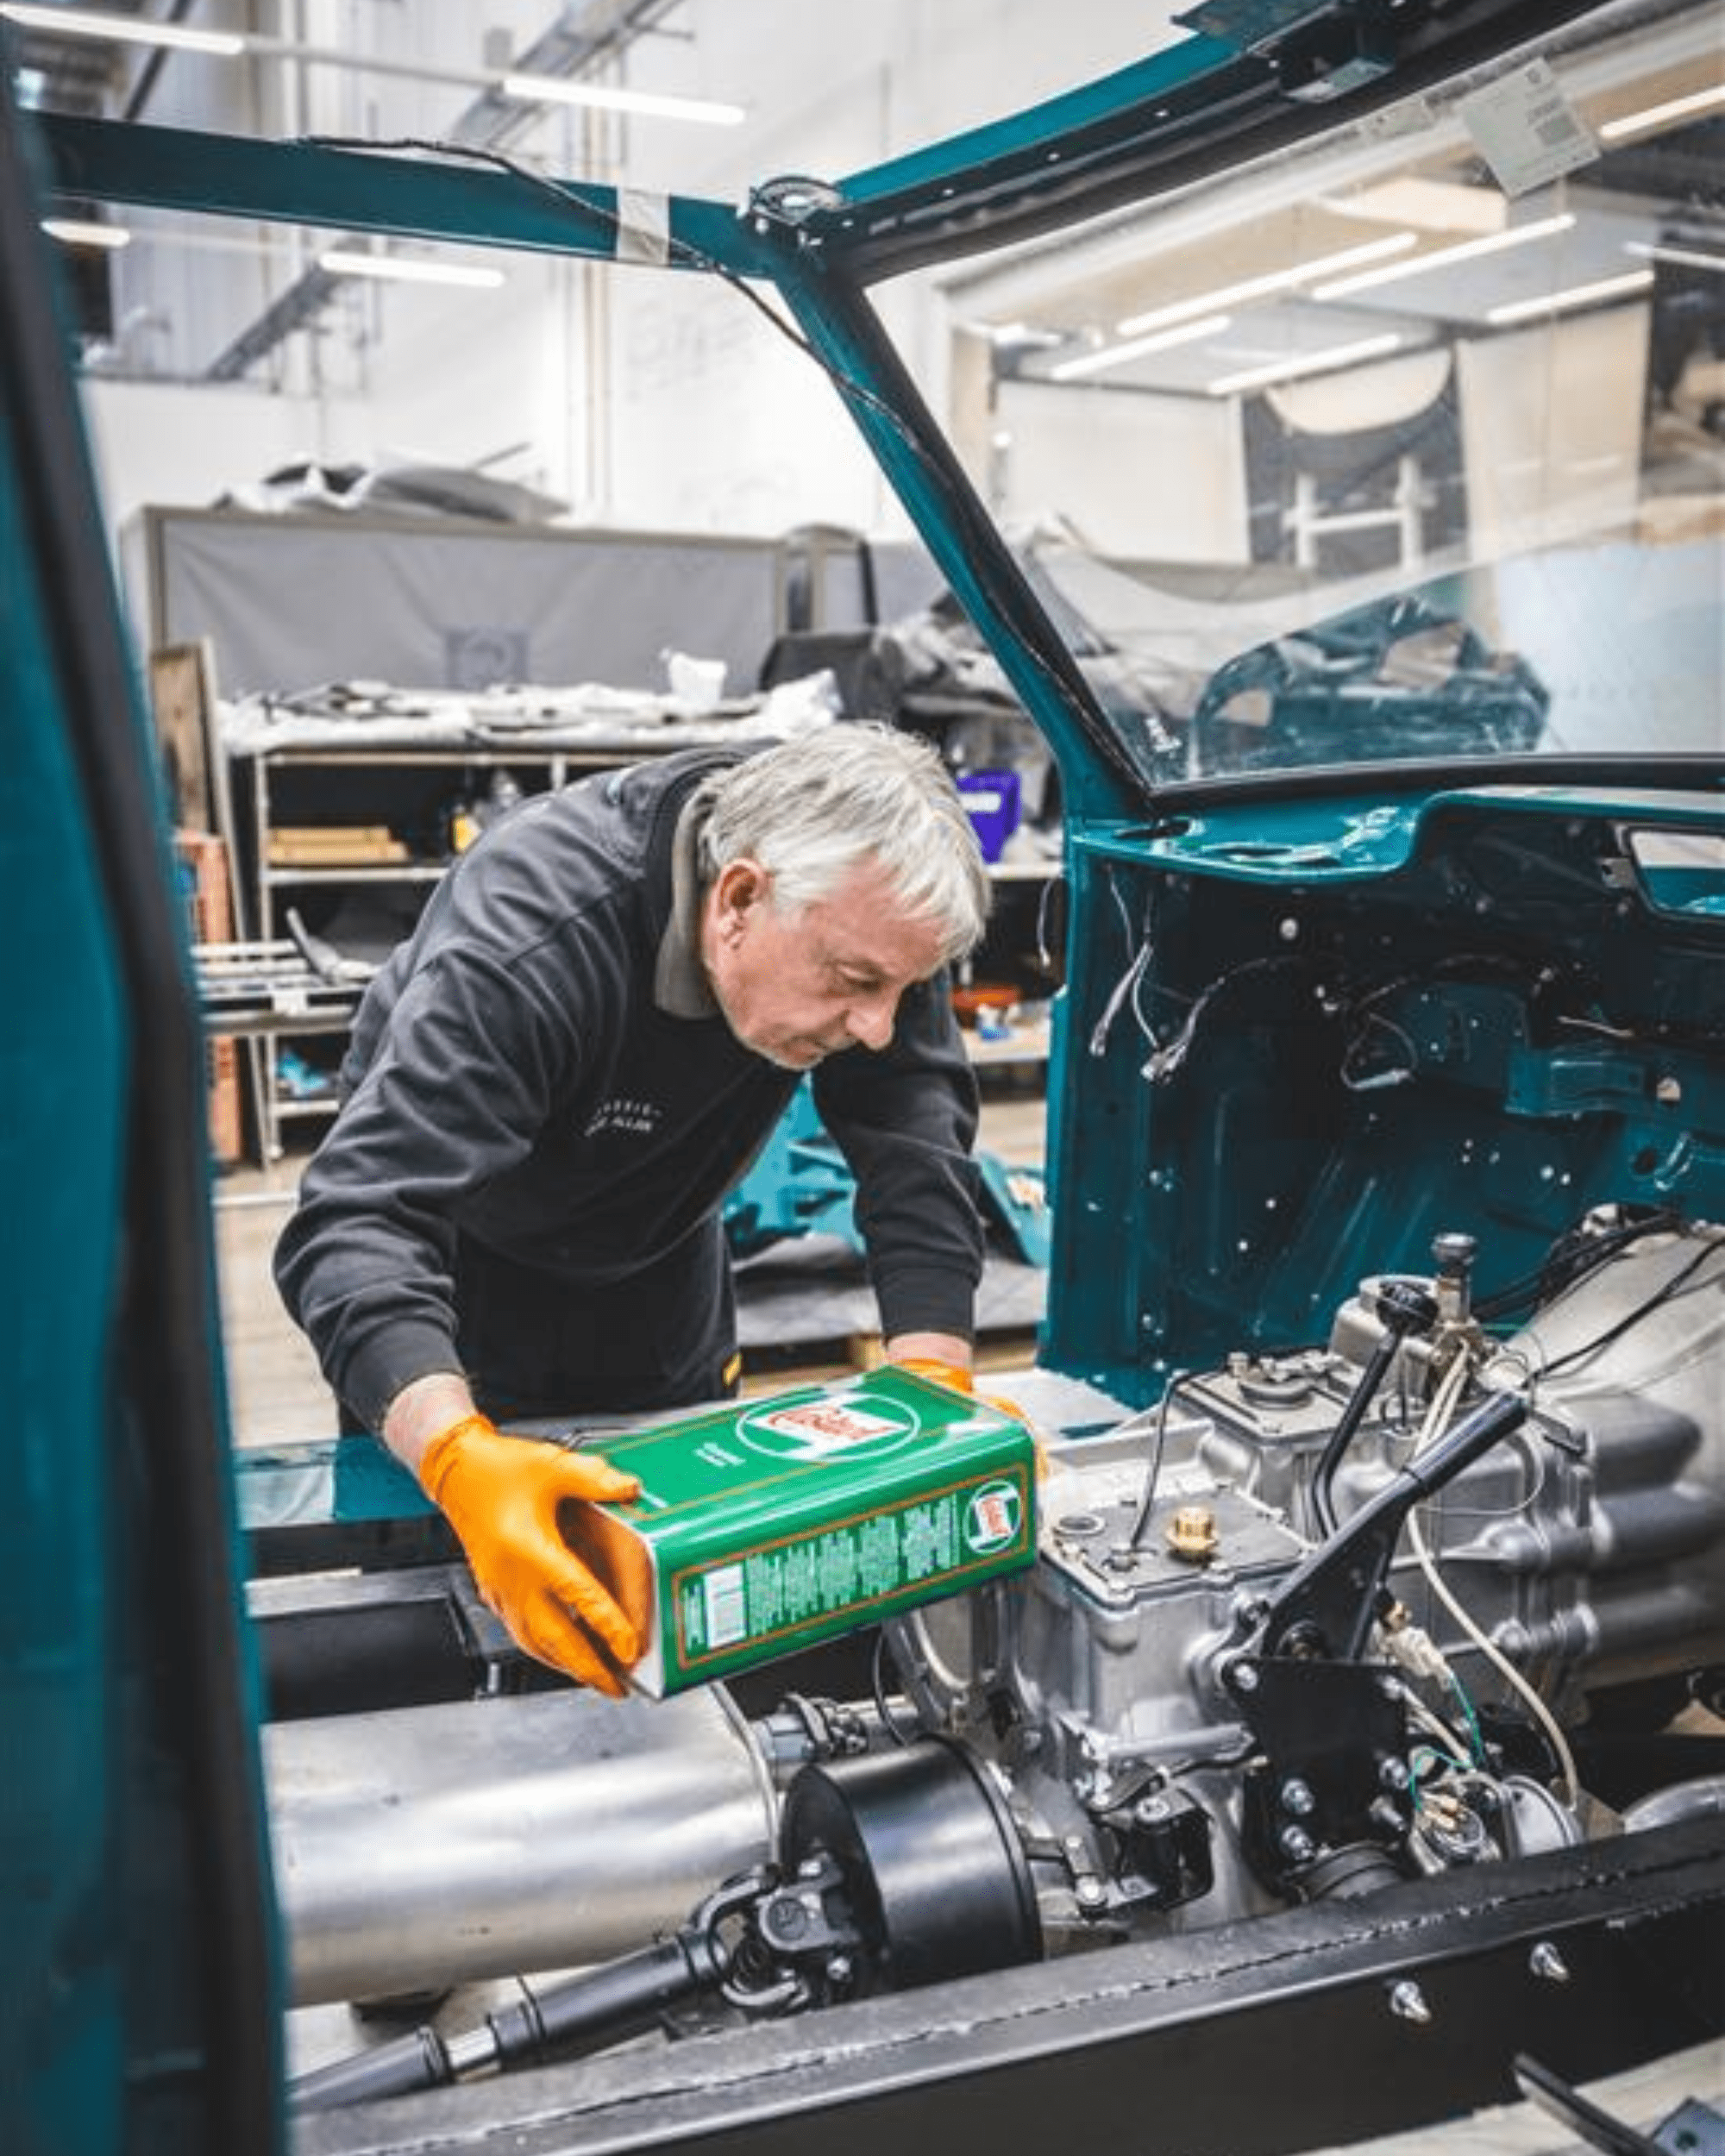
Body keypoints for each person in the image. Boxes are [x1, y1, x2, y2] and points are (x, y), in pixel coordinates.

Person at [274, 721, 993, 1695]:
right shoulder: (534, 937)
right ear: (737, 898)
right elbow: (358, 1224)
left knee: (684, 1602)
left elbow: (913, 1139)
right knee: (455, 1621)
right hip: (458, 1276)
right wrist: (457, 1456)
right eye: (854, 986)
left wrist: (930, 1379)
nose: (875, 1027)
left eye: (897, 994)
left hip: (657, 1260)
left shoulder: (871, 910)